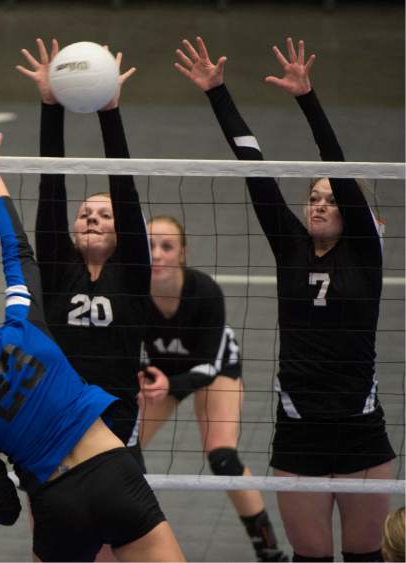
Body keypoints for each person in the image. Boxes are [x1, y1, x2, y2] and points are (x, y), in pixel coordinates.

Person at [0, 129, 185, 563]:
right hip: (112, 471)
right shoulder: (25, 327)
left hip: (55, 503)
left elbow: (4, 510)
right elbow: (16, 248)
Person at [174, 36, 395, 562]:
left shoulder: (364, 255)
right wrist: (217, 92)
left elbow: (336, 163)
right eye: (312, 199)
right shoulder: (291, 248)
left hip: (361, 431)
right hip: (297, 434)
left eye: (330, 199)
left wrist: (307, 98)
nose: (319, 206)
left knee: (367, 556)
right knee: (311, 558)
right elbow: (254, 169)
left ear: (354, 213)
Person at [17, 39, 148, 464]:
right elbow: (50, 189)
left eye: (104, 216)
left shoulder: (132, 274)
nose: (92, 218)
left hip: (116, 426)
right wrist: (50, 107)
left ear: (122, 232)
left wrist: (110, 114)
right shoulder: (57, 270)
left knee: (113, 532)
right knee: (52, 531)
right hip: (56, 422)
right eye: (86, 213)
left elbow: (124, 191)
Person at [138, 215, 288, 563]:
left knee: (222, 457)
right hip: (163, 373)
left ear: (183, 253)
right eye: (149, 247)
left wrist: (168, 384)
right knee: (120, 451)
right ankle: (126, 534)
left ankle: (269, 550)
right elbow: (123, 346)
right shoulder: (132, 293)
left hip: (214, 369)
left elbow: (206, 366)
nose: (157, 254)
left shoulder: (204, 292)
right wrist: (145, 374)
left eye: (166, 246)